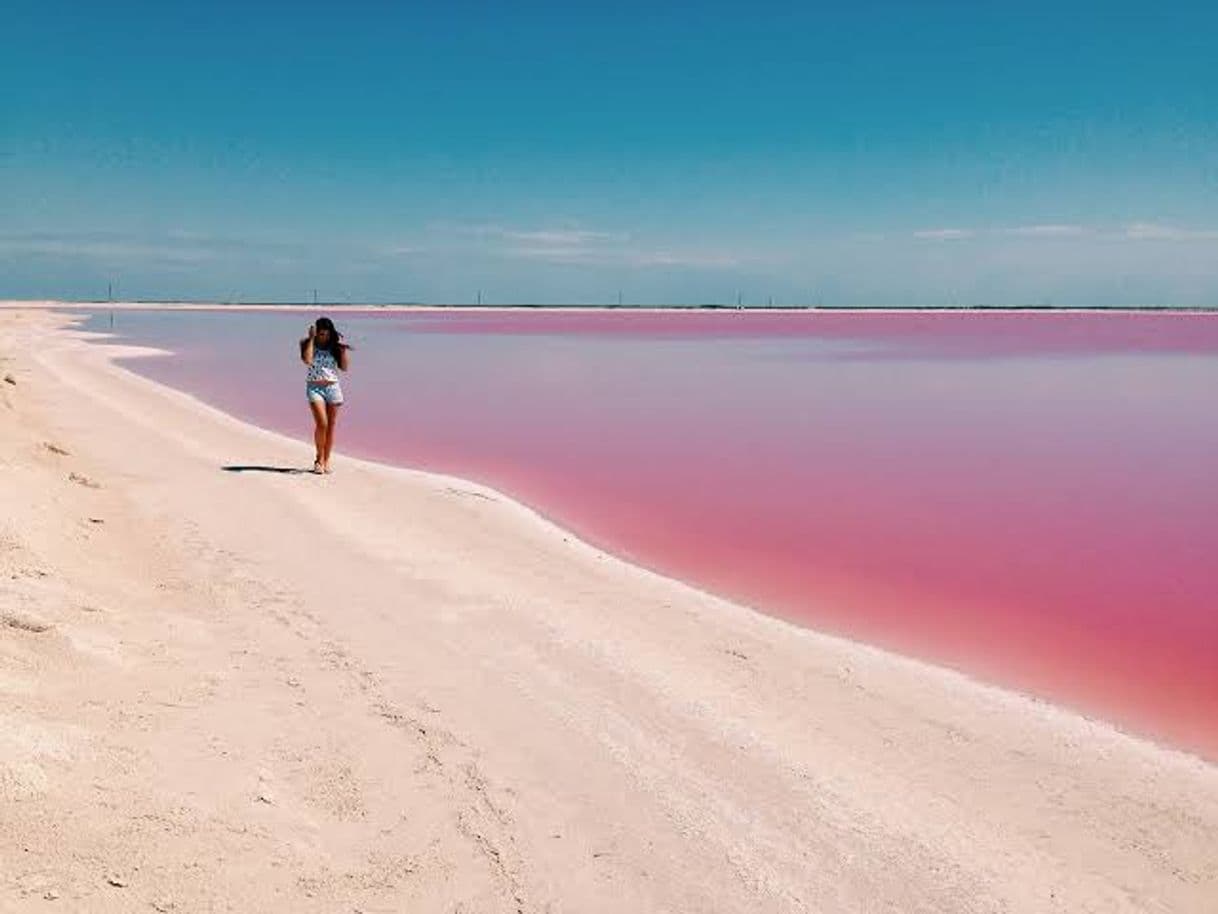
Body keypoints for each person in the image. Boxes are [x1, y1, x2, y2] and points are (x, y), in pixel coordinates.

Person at [299, 316, 350, 474]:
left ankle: (326, 460)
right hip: (315, 388)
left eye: (327, 334)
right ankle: (318, 458)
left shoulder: (334, 346)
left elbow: (345, 368)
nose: (325, 337)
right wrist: (311, 339)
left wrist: (342, 349)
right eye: (321, 334)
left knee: (331, 427)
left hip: (333, 388)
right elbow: (307, 360)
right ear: (316, 332)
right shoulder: (307, 343)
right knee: (322, 423)